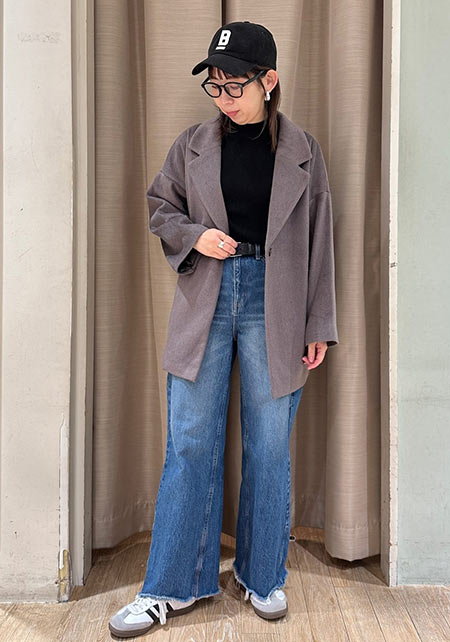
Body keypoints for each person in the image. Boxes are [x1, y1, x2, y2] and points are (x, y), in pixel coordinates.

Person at [109, 20, 338, 639]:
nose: (225, 97)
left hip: (276, 300)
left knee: (269, 445)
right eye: (215, 85)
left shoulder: (303, 151)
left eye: (235, 85)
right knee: (189, 441)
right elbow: (161, 207)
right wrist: (195, 237)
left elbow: (320, 240)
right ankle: (168, 587)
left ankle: (263, 575)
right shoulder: (191, 145)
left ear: (270, 81)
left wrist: (319, 323)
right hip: (205, 295)